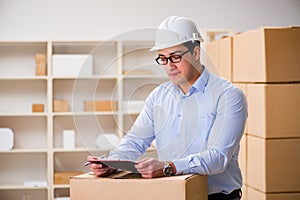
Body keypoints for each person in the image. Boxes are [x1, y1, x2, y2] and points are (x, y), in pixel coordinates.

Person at [87, 16, 247, 200]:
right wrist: (113, 162)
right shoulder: (158, 97)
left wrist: (168, 167)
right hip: (172, 194)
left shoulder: (228, 96)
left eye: (175, 57)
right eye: (163, 58)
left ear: (196, 53)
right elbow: (135, 140)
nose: (169, 66)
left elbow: (218, 158)